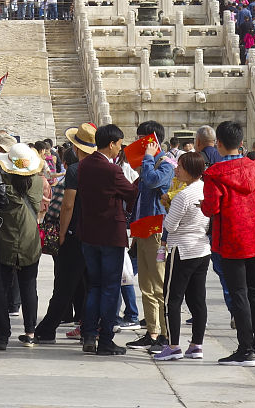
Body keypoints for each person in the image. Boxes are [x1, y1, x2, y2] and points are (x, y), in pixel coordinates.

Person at [202, 120, 255, 367]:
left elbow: (211, 207)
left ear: (219, 144)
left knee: (239, 294)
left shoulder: (214, 175)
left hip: (231, 240)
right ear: (241, 143)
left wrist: (202, 206)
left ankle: (245, 349)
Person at [76, 123, 138, 356]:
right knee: (111, 288)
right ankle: (106, 340)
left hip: (89, 233)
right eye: (119, 145)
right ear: (111, 144)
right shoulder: (111, 170)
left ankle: (89, 335)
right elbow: (131, 193)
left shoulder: (84, 165)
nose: (119, 150)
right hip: (110, 234)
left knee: (94, 286)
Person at [33, 125, 94, 343]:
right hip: (95, 235)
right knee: (91, 285)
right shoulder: (104, 168)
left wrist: (62, 234)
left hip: (74, 233)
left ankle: (47, 328)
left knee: (64, 285)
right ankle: (89, 329)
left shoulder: (76, 170)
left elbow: (67, 206)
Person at [154, 151, 210, 362]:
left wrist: (168, 207)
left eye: (180, 167)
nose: (176, 170)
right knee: (198, 299)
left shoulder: (183, 196)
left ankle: (173, 345)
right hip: (202, 249)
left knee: (172, 299)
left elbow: (170, 225)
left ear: (189, 171)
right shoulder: (205, 189)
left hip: (182, 250)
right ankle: (197, 344)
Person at [125, 119, 175, 352]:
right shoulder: (146, 164)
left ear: (151, 139)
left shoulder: (165, 163)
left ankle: (165, 333)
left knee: (158, 283)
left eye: (140, 137)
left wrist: (147, 158)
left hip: (157, 229)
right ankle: (152, 331)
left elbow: (155, 181)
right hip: (143, 227)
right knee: (145, 283)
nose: (137, 141)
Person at [0, 141, 45, 347]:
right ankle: (30, 333)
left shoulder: (1, 185)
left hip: (5, 240)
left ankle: (0, 334)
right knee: (29, 288)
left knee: (0, 289)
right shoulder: (38, 182)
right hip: (30, 241)